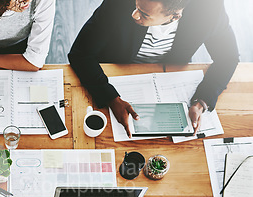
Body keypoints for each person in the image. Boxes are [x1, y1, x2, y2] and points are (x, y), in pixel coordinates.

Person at [68, 0, 239, 137]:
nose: (134, 14)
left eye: (143, 14)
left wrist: (202, 100)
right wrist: (111, 97)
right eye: (136, 6)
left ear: (174, 17)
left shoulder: (210, 10)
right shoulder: (118, 3)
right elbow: (80, 53)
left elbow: (228, 57)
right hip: (117, 70)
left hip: (171, 77)